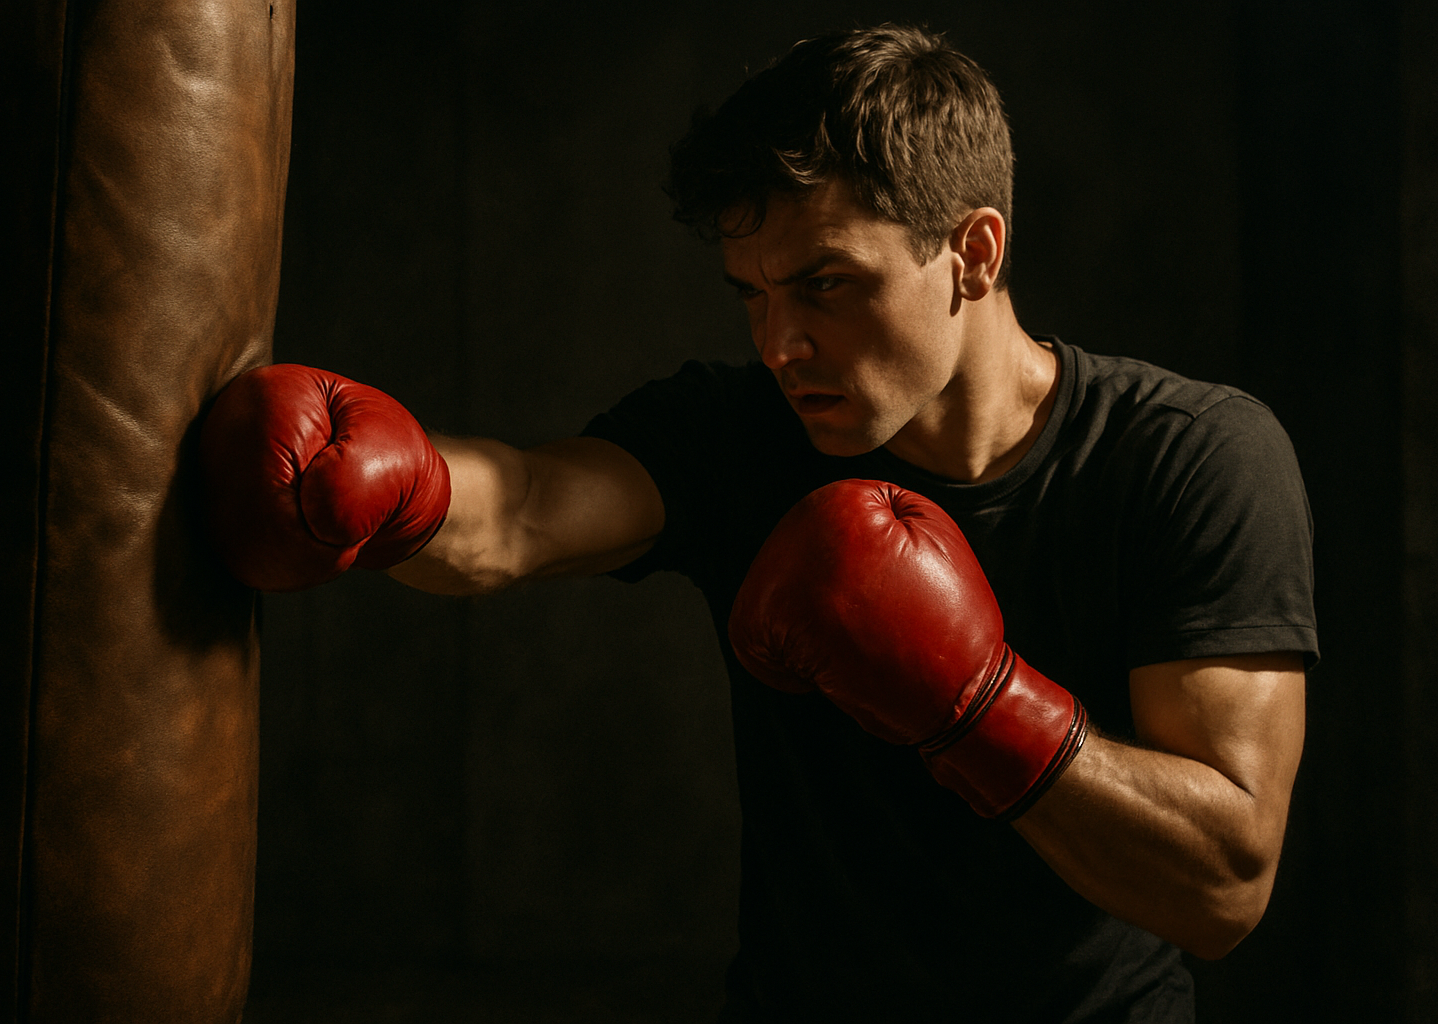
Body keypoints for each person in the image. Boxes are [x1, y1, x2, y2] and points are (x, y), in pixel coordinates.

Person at [200, 23, 1316, 1022]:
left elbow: (1223, 888)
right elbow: (527, 510)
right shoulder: (740, 435)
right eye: (751, 292)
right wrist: (401, 486)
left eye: (826, 284)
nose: (779, 344)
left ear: (974, 254)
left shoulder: (1191, 457)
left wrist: (979, 705)